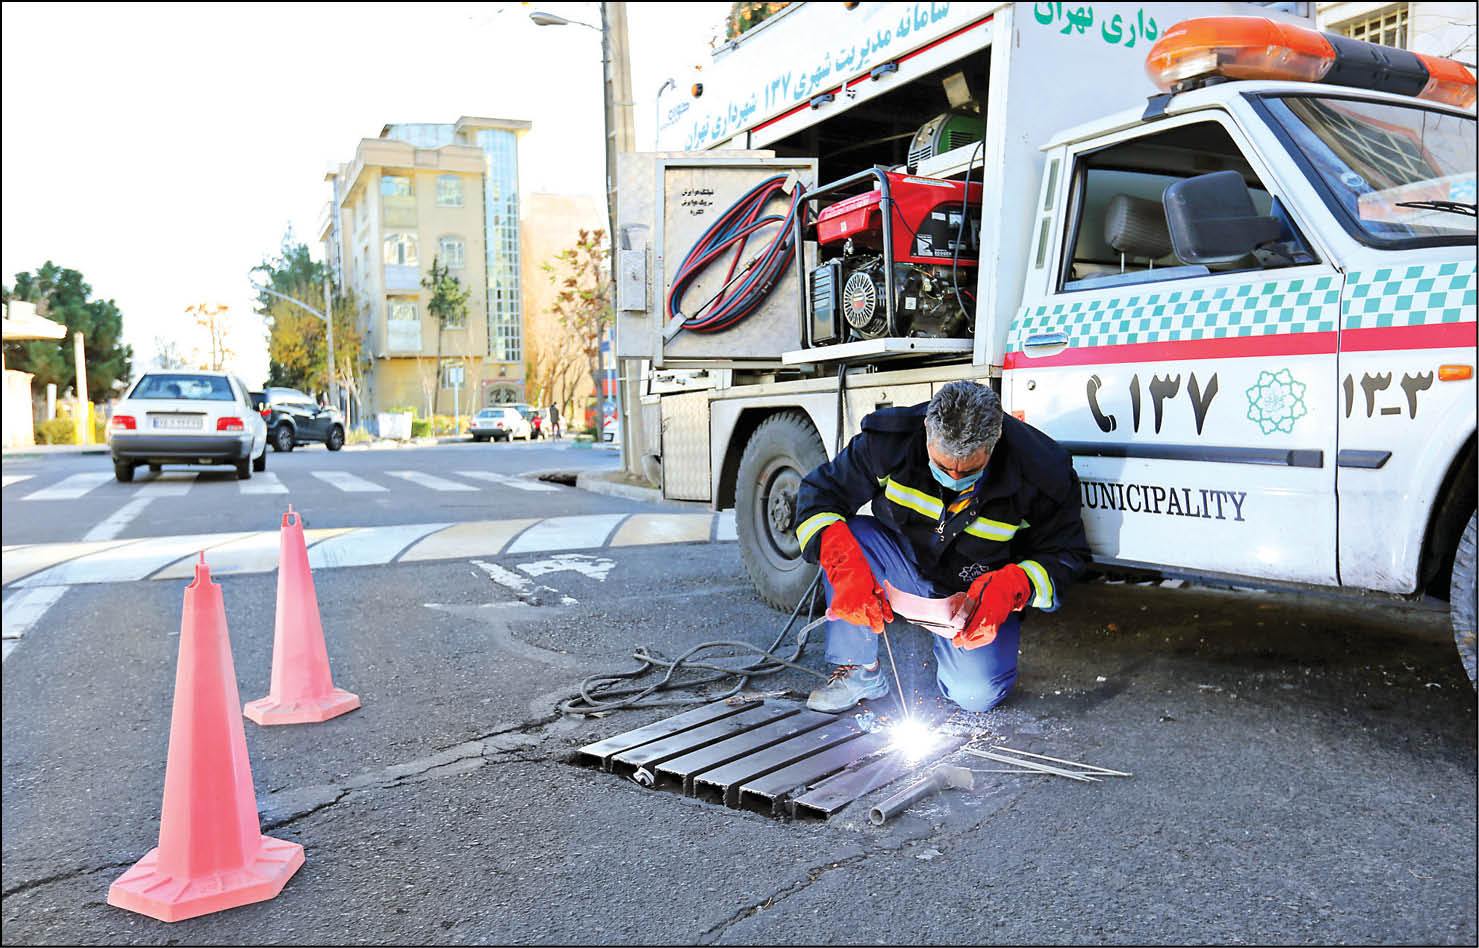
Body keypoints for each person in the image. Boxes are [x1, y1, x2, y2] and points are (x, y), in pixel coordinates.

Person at [795, 380, 1089, 714]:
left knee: (975, 695)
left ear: (995, 443)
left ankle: (961, 663)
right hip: (902, 564)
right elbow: (818, 496)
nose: (953, 475)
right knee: (848, 536)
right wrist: (844, 568)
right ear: (927, 431)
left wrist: (1013, 586)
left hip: (975, 596)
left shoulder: (1041, 471)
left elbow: (1067, 554)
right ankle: (857, 670)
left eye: (969, 470)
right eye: (943, 464)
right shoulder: (889, 443)